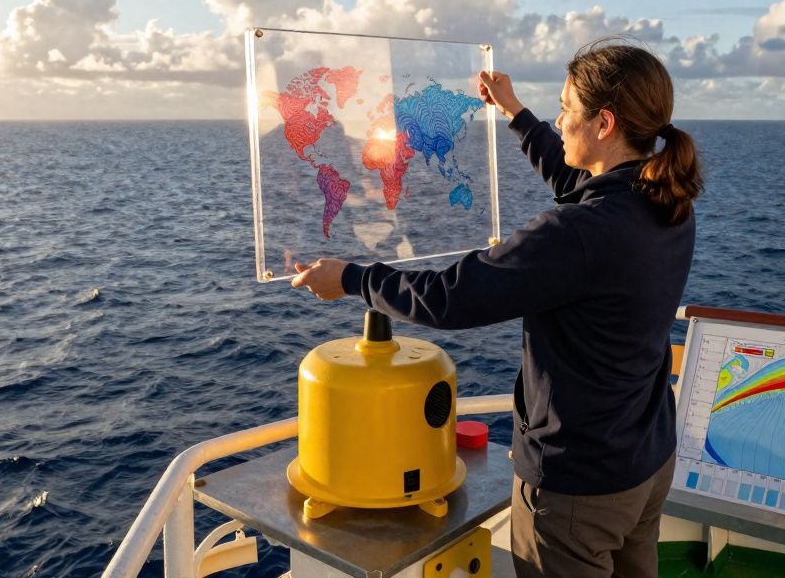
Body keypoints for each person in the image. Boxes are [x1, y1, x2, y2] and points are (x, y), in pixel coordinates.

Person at [291, 37, 703, 578]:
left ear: (603, 124)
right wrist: (515, 112)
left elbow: (449, 298)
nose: (558, 121)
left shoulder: (577, 234)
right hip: (645, 461)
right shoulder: (665, 201)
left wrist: (351, 277)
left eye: (565, 110)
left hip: (580, 483)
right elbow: (577, 180)